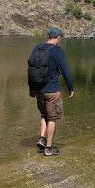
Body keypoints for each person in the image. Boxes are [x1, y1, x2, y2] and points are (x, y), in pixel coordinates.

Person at [27, 27, 74, 156]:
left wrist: (31, 88)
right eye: (61, 38)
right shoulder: (57, 51)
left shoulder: (37, 48)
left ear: (49, 36)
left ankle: (42, 139)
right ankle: (48, 148)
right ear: (58, 38)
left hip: (38, 90)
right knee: (52, 118)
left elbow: (31, 69)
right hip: (52, 91)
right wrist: (71, 88)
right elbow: (66, 71)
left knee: (44, 115)